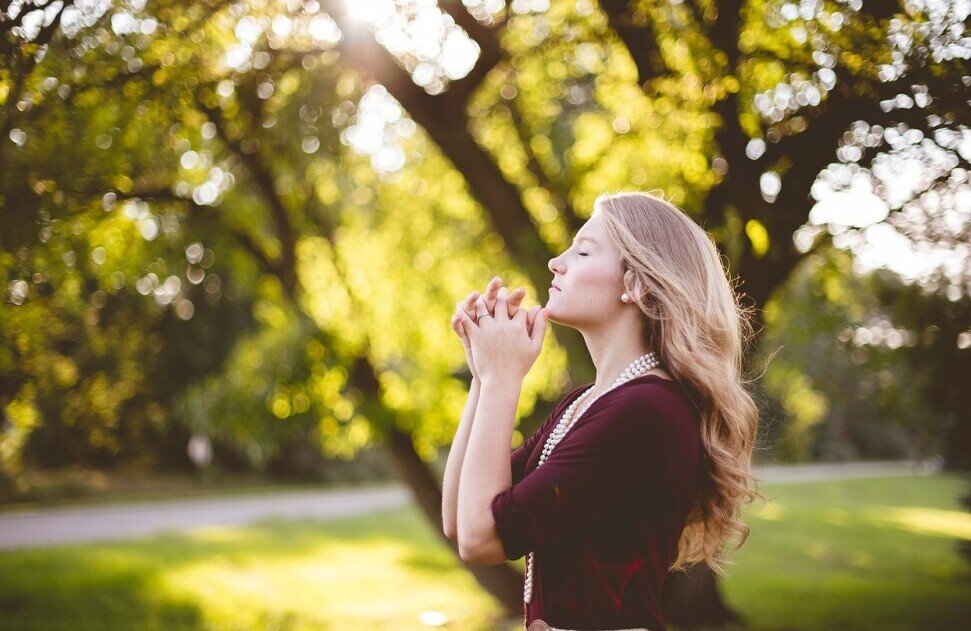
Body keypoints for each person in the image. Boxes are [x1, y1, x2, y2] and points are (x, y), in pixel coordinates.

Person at [441, 190, 763, 631]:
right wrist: (483, 376)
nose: (557, 261)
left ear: (638, 284)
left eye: (584, 250)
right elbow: (460, 520)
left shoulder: (646, 410)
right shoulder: (587, 402)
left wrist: (504, 379)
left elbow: (482, 539)